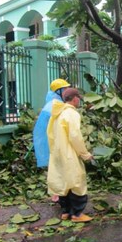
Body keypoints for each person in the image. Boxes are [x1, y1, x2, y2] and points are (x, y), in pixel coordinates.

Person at [47, 87, 94, 222]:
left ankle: (65, 212)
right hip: (69, 153)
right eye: (78, 98)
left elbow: (50, 135)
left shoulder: (56, 114)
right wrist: (85, 154)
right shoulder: (71, 114)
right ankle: (77, 214)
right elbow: (75, 136)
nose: (79, 101)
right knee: (77, 182)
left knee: (64, 182)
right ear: (75, 99)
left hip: (57, 153)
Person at [33, 78, 71, 168]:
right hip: (51, 144)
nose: (67, 92)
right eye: (65, 89)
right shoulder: (54, 106)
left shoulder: (55, 103)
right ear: (58, 91)